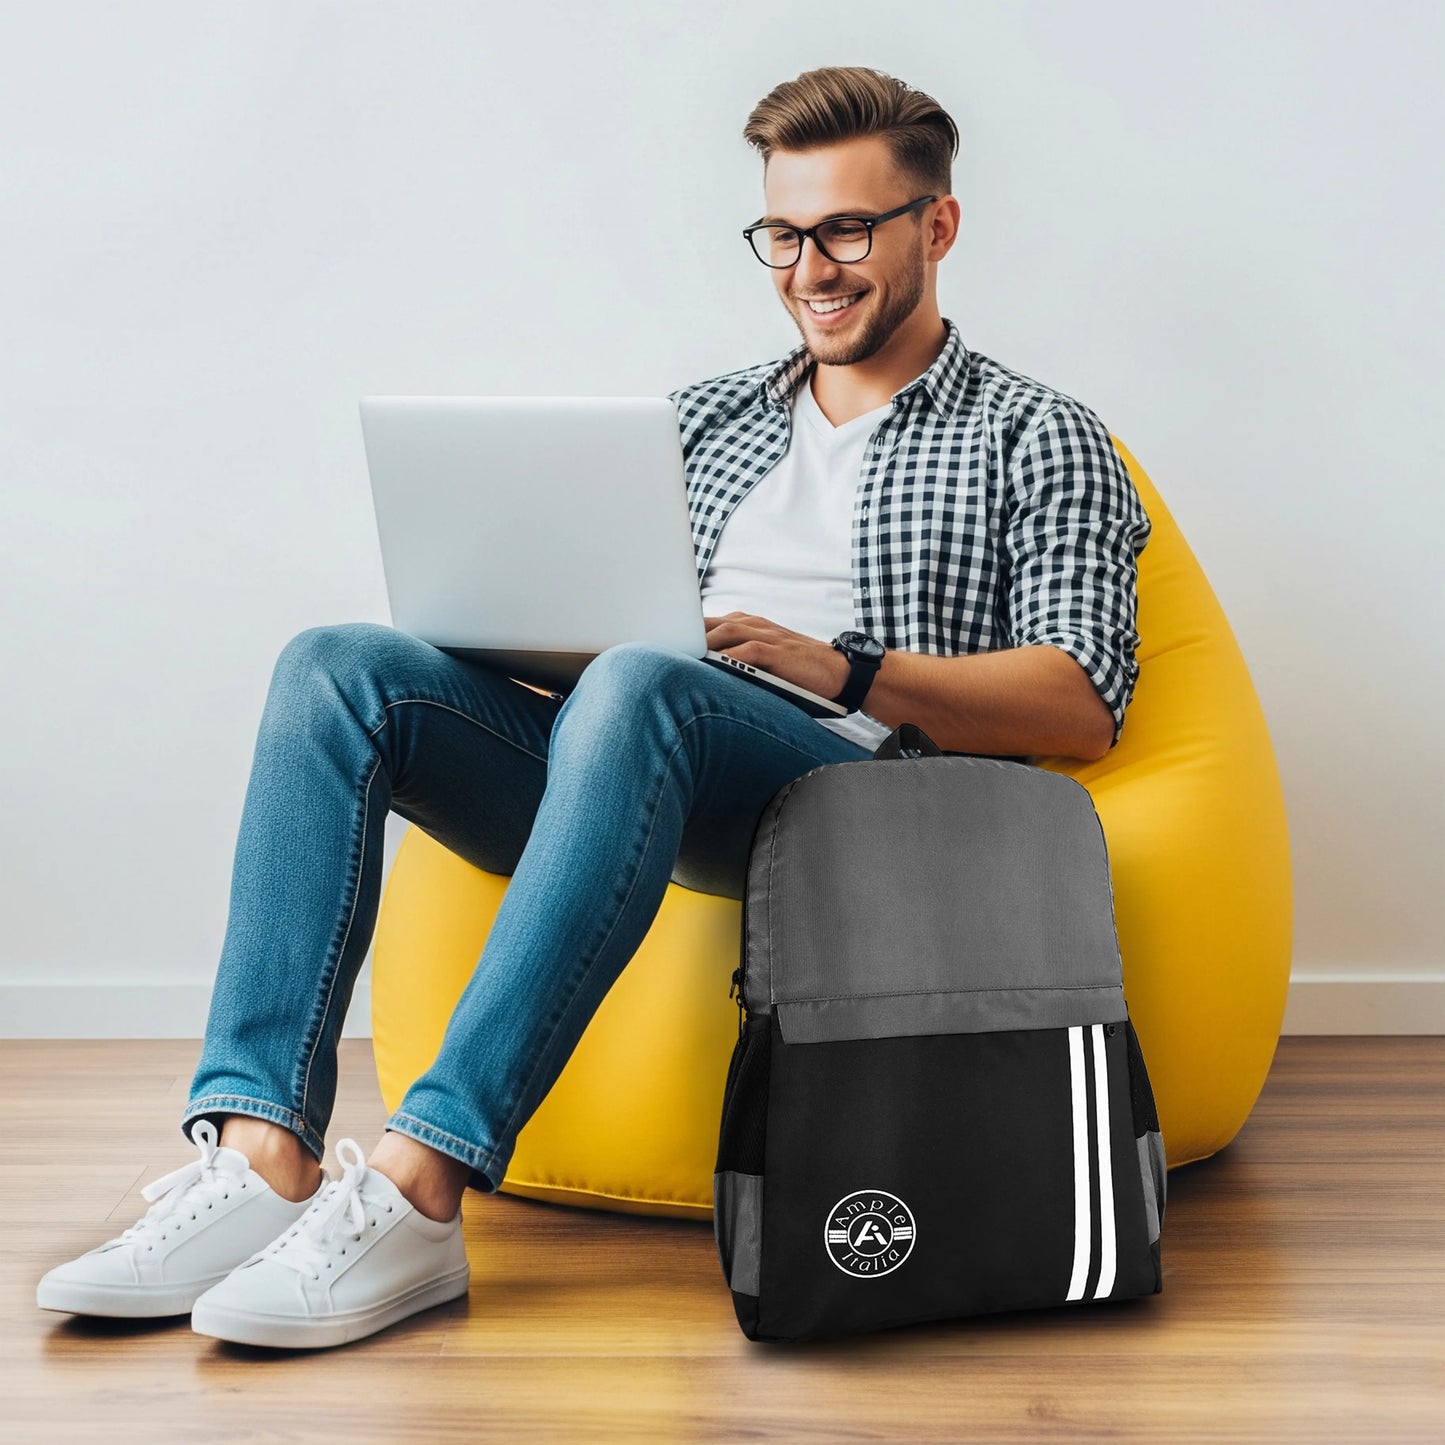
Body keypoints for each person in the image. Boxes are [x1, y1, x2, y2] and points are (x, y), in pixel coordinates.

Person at [36, 64, 1150, 1350]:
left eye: (845, 228)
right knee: (335, 664)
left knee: (641, 680)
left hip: (850, 799)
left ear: (935, 226)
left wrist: (829, 662)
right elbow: (605, 634)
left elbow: (1079, 700)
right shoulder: (703, 418)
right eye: (781, 235)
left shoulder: (1033, 430)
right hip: (631, 758)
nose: (810, 268)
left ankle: (419, 1186)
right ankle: (260, 1153)